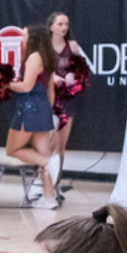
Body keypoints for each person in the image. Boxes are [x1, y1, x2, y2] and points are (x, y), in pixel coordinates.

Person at [4, 22, 60, 209]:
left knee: (12, 149)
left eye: (25, 34)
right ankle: (49, 198)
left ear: (33, 37)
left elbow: (26, 86)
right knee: (43, 152)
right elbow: (50, 92)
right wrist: (48, 112)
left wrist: (6, 84)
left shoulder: (33, 58)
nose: (22, 37)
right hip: (43, 108)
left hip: (28, 109)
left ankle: (49, 161)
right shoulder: (47, 58)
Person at [48, 11, 87, 177]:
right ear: (51, 27)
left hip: (67, 100)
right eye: (60, 24)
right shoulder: (44, 47)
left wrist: (75, 76)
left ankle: (55, 182)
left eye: (66, 24)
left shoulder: (72, 46)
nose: (64, 27)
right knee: (48, 143)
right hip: (48, 99)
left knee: (61, 145)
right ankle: (42, 181)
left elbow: (84, 71)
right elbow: (34, 72)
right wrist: (51, 77)